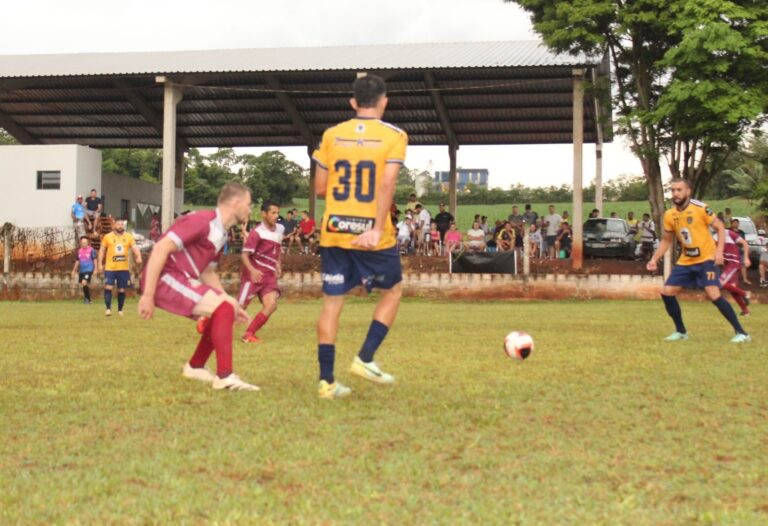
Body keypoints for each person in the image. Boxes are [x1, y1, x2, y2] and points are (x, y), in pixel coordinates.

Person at [311, 74, 406, 400]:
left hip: (335, 229)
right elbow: (387, 182)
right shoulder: (394, 135)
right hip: (371, 233)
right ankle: (365, 358)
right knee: (392, 291)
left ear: (353, 102)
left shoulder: (332, 135)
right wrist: (377, 228)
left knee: (332, 304)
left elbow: (320, 188)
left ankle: (326, 382)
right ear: (384, 102)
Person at [139, 183, 259, 391]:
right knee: (224, 306)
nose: (250, 210)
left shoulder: (221, 233)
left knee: (226, 305)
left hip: (180, 278)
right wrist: (148, 295)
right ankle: (224, 376)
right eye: (248, 204)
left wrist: (233, 306)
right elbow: (161, 247)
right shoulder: (203, 221)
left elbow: (207, 272)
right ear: (236, 203)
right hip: (165, 277)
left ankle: (195, 366)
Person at [646, 178, 751, 343]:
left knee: (713, 294)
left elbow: (720, 227)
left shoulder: (701, 208)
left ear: (688, 191)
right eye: (673, 190)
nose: (675, 193)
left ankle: (742, 333)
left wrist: (719, 251)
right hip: (686, 261)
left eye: (679, 190)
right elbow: (667, 240)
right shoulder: (669, 215)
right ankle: (681, 332)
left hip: (706, 260)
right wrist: (654, 259)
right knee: (667, 292)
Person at [237, 200, 284, 343]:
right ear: (264, 214)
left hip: (269, 276)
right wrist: (252, 270)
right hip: (253, 276)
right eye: (273, 213)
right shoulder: (256, 233)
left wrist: (278, 264)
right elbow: (244, 255)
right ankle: (207, 322)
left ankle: (249, 334)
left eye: (277, 213)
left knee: (271, 305)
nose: (276, 216)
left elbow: (278, 249)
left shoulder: (280, 229)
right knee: (239, 309)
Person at [98, 219, 142, 317]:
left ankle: (120, 310)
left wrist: (138, 256)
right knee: (108, 287)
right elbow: (102, 250)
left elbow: (134, 247)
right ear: (114, 225)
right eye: (118, 224)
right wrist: (99, 264)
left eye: (122, 224)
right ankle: (108, 309)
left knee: (122, 289)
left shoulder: (129, 237)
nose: (120, 226)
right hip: (110, 268)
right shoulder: (107, 237)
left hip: (123, 268)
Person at [719, 226, 751, 317]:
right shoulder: (714, 236)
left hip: (733, 263)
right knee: (732, 289)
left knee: (720, 283)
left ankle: (745, 293)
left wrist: (746, 258)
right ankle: (746, 311)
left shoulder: (729, 233)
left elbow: (745, 243)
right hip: (727, 265)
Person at [71, 235, 97, 304]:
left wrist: (95, 269)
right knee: (84, 284)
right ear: (80, 243)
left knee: (84, 282)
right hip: (82, 270)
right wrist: (74, 270)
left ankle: (88, 299)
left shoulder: (91, 250)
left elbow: (95, 259)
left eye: (85, 243)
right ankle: (87, 298)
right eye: (82, 243)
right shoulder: (79, 251)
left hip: (89, 269)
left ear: (87, 243)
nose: (83, 244)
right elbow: (77, 261)